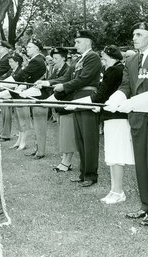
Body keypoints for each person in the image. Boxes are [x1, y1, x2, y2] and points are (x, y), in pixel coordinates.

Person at [111, 22, 148, 226]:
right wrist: (117, 98)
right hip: (137, 117)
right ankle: (145, 205)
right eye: (134, 34)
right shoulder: (131, 60)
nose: (134, 37)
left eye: (139, 34)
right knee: (141, 163)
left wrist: (129, 103)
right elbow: (126, 85)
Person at [37, 30, 102, 186]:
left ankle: (91, 175)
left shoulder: (92, 57)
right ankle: (83, 173)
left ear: (88, 42)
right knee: (80, 139)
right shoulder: (79, 59)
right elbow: (67, 76)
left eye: (78, 42)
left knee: (89, 139)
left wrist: (63, 87)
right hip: (77, 99)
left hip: (87, 99)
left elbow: (83, 78)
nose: (75, 45)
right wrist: (48, 83)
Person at [90, 45, 135, 203]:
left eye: (103, 57)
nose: (102, 60)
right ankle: (114, 189)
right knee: (111, 155)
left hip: (117, 116)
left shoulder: (114, 70)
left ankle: (118, 191)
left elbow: (102, 93)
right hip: (110, 115)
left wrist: (85, 103)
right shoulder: (115, 69)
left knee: (116, 155)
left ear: (111, 57)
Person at [21, 38, 48, 159]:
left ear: (37, 48)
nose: (27, 49)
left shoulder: (37, 60)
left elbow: (25, 75)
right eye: (27, 47)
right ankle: (38, 148)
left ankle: (41, 151)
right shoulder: (37, 59)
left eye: (30, 47)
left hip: (40, 94)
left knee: (40, 123)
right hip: (35, 93)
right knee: (37, 122)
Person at [49, 47, 75, 172]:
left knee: (68, 135)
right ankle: (64, 159)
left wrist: (47, 84)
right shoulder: (57, 69)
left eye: (56, 58)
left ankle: (67, 161)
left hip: (68, 105)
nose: (54, 61)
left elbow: (62, 82)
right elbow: (50, 81)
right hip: (60, 106)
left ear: (64, 58)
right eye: (53, 58)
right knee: (63, 135)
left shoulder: (69, 69)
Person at [0, 41, 14, 142]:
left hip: (6, 85)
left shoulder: (6, 59)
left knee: (6, 111)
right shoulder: (2, 58)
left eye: (0, 47)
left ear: (6, 49)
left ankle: (6, 134)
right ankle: (3, 133)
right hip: (1, 84)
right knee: (2, 110)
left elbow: (5, 73)